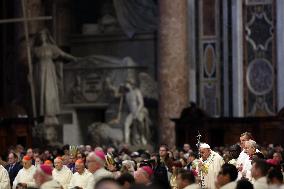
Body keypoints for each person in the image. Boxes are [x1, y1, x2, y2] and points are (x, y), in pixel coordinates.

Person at [33, 29, 76, 125]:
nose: (42, 37)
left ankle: (50, 114)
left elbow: (63, 54)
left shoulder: (51, 47)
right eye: (40, 35)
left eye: (43, 35)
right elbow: (32, 63)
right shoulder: (35, 50)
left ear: (46, 36)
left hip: (49, 71)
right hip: (39, 72)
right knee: (41, 93)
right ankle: (43, 114)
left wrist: (74, 58)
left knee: (50, 92)